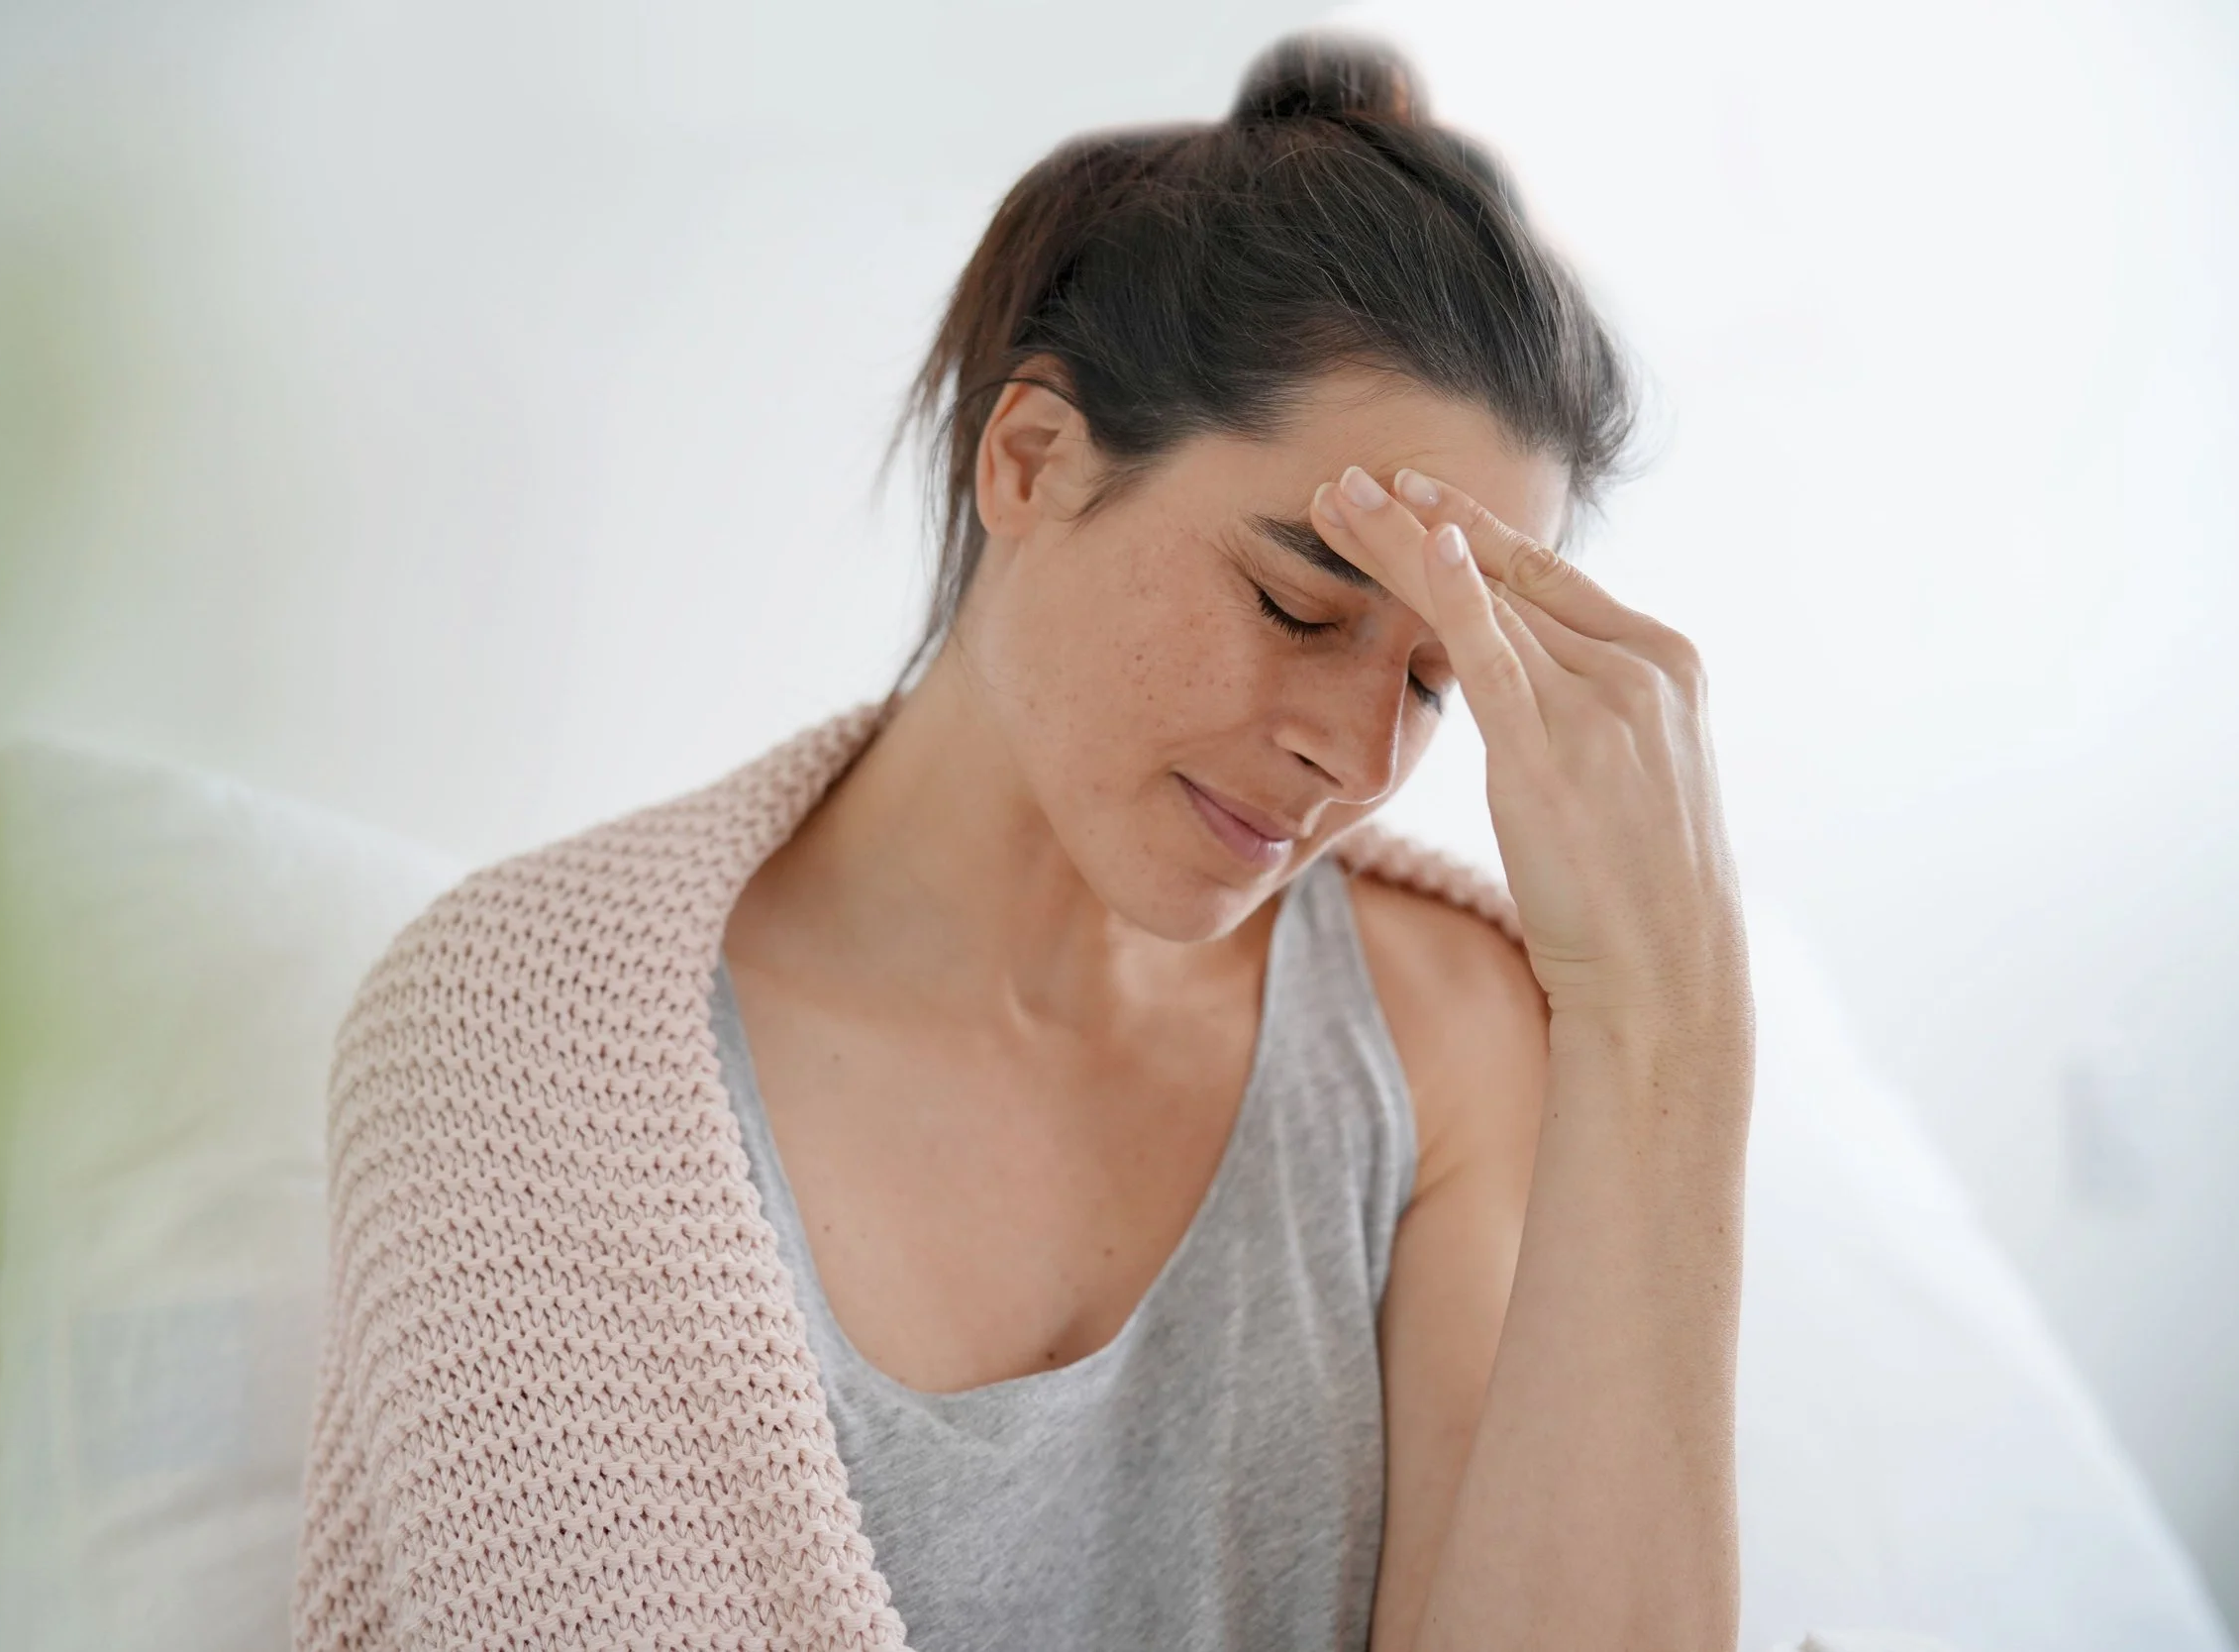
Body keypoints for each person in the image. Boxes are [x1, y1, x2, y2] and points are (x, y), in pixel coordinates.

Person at [293, 30, 1754, 1652]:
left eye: (1432, 678)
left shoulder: (1449, 1040)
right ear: (1032, 459)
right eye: (1292, 605)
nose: (1352, 758)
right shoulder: (517, 1048)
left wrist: (1668, 1021)